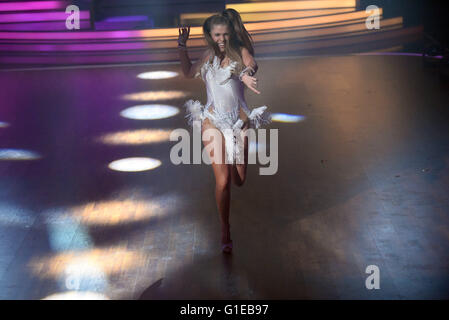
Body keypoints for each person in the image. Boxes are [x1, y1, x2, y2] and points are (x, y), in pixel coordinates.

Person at [178, 9, 271, 254]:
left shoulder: (240, 52)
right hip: (211, 122)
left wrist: (248, 75)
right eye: (217, 34)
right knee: (224, 180)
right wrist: (181, 46)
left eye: (225, 34)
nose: (221, 39)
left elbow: (252, 64)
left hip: (238, 122)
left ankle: (229, 162)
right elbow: (188, 73)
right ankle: (225, 228)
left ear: (231, 34)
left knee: (239, 180)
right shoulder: (208, 56)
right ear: (210, 35)